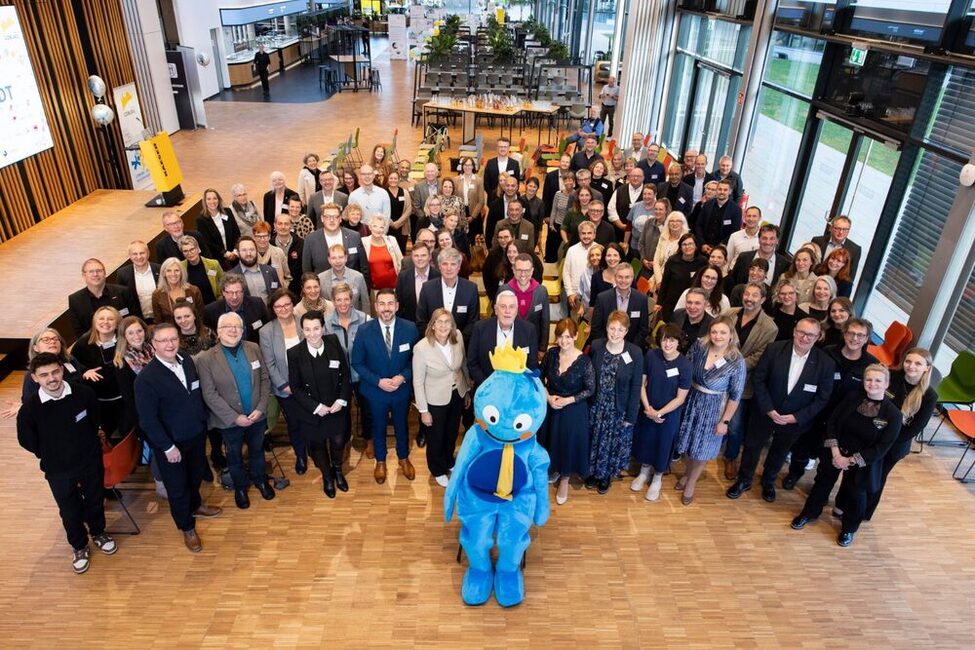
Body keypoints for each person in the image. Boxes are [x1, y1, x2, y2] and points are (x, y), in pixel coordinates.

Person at [17, 352, 116, 574]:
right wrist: (51, 453)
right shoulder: (30, 409)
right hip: (58, 469)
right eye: (44, 375)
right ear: (35, 378)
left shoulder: (83, 394)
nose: (51, 378)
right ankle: (79, 546)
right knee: (69, 510)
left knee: (95, 500)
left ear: (62, 369)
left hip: (90, 461)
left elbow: (94, 420)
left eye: (55, 372)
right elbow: (27, 440)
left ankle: (99, 533)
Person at [790, 364, 901, 547]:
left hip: (863, 461)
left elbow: (882, 447)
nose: (872, 384)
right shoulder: (852, 398)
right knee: (822, 483)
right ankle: (808, 513)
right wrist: (836, 452)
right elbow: (832, 423)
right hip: (835, 451)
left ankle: (849, 529)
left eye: (877, 380)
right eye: (868, 379)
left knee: (857, 494)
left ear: (886, 384)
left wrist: (849, 460)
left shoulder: (894, 415)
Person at [135, 322, 223, 553]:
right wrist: (167, 447)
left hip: (195, 434)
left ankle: (196, 506)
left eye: (173, 339)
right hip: (171, 445)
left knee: (195, 477)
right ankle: (187, 527)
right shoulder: (146, 379)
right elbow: (148, 421)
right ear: (153, 345)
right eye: (163, 340)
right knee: (178, 487)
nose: (170, 344)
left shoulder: (185, 361)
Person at [727, 318, 835, 503]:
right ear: (794, 331)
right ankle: (744, 480)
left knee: (780, 451)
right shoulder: (774, 349)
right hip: (765, 413)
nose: (804, 337)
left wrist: (796, 417)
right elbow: (759, 379)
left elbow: (822, 398)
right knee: (752, 447)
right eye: (801, 332)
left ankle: (768, 482)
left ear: (818, 337)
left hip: (794, 420)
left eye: (810, 334)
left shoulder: (825, 363)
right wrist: (768, 408)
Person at [784, 318, 878, 489]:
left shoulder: (870, 364)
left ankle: (819, 487)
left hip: (842, 422)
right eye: (851, 333)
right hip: (816, 413)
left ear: (866, 339)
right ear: (844, 334)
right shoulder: (827, 353)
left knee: (828, 457)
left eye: (860, 335)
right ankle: (794, 473)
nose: (854, 338)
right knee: (803, 448)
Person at [196, 312, 274, 510]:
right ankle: (240, 487)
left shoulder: (253, 348)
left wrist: (260, 408)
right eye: (227, 327)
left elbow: (265, 379)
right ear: (218, 332)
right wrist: (234, 417)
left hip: (257, 415)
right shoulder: (206, 359)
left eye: (237, 326)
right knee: (234, 455)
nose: (233, 330)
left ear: (243, 330)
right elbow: (209, 393)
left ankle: (261, 480)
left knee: (257, 451)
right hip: (229, 421)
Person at [673, 316, 746, 504]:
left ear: (731, 335)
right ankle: (687, 473)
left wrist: (725, 421)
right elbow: (686, 368)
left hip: (715, 408)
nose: (717, 336)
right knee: (689, 444)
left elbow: (735, 395)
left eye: (723, 332)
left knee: (703, 449)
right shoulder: (700, 346)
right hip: (692, 400)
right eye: (714, 331)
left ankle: (692, 482)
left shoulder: (736, 360)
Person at [351, 289, 419, 484]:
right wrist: (378, 381)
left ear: (397, 306)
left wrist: (402, 377)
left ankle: (403, 458)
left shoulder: (410, 328)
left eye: (390, 303)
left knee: (401, 426)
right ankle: (380, 461)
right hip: (375, 391)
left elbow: (415, 359)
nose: (386, 308)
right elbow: (357, 363)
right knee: (378, 427)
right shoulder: (364, 331)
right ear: (376, 306)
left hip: (401, 390)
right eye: (382, 304)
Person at [864, 348, 938, 520]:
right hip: (873, 434)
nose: (911, 366)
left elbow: (915, 428)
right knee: (861, 471)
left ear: (927, 367)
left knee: (878, 477)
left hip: (895, 445)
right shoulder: (891, 376)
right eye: (908, 361)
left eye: (918, 363)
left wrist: (886, 441)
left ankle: (865, 512)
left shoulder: (929, 396)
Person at [288, 310, 353, 498]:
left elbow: (345, 374)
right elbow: (296, 387)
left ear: (323, 328)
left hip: (336, 407)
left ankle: (338, 470)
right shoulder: (294, 354)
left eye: (316, 328)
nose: (312, 333)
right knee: (317, 447)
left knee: (339, 442)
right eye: (307, 330)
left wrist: (341, 400)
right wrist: (316, 407)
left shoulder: (333, 342)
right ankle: (327, 476)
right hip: (311, 411)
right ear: (302, 331)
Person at [630, 324, 693, 501]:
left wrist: (660, 413)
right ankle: (644, 472)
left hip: (669, 415)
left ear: (679, 342)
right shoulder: (651, 356)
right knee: (646, 440)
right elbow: (641, 383)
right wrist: (648, 408)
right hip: (648, 409)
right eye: (664, 339)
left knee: (663, 445)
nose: (667, 343)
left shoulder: (685, 365)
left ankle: (657, 477)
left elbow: (681, 398)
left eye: (672, 340)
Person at [412, 309, 471, 487]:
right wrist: (423, 411)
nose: (444, 325)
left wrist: (467, 389)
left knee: (452, 432)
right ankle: (437, 469)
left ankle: (448, 460)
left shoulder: (458, 337)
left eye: (447, 321)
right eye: (439, 321)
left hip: (456, 394)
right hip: (435, 400)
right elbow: (417, 382)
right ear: (432, 325)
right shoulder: (421, 348)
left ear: (452, 325)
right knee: (436, 436)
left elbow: (463, 365)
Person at [587, 311, 644, 494]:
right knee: (594, 439)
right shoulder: (597, 346)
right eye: (612, 328)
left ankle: (605, 476)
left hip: (618, 407)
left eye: (620, 329)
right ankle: (592, 472)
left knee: (611, 443)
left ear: (626, 331)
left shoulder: (635, 352)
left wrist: (631, 415)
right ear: (606, 328)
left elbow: (636, 386)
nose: (615, 333)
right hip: (596, 405)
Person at [539, 319, 594, 504]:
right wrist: (548, 397)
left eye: (568, 337)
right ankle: (553, 468)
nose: (564, 341)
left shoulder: (584, 361)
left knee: (568, 442)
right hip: (552, 403)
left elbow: (590, 389)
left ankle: (565, 478)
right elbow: (539, 378)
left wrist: (568, 400)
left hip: (573, 407)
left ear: (576, 336)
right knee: (551, 439)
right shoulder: (551, 354)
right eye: (561, 337)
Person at [260, 288, 307, 474]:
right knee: (294, 423)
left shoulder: (304, 322)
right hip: (286, 388)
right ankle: (301, 455)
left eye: (287, 304)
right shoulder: (266, 331)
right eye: (278, 306)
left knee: (311, 419)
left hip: (309, 383)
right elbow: (269, 364)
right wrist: (284, 386)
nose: (283, 308)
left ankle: (313, 449)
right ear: (273, 309)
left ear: (293, 304)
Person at [323, 282, 373, 457]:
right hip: (339, 377)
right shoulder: (327, 324)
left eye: (346, 299)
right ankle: (345, 441)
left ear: (352, 300)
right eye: (339, 300)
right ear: (333, 301)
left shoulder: (365, 319)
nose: (343, 303)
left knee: (367, 409)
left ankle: (369, 440)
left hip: (363, 375)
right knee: (343, 412)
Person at [0, 329, 85, 420]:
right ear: (35, 348)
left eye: (55, 339)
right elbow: (30, 402)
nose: (52, 341)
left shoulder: (70, 361)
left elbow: (83, 377)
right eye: (46, 340)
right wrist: (24, 406)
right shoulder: (32, 375)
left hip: (80, 410)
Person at [467, 290, 539, 387]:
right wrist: (488, 385)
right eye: (503, 306)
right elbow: (472, 363)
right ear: (496, 310)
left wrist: (518, 385)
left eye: (511, 307)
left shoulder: (529, 330)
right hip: (487, 389)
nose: (507, 311)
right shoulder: (480, 328)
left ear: (516, 310)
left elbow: (532, 365)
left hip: (517, 390)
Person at [70, 306, 123, 437]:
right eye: (101, 318)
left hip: (124, 400)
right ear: (94, 322)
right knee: (108, 436)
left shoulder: (125, 342)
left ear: (117, 323)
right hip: (98, 402)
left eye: (111, 319)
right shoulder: (82, 345)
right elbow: (73, 369)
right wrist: (84, 373)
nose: (106, 322)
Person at [416, 247, 480, 339]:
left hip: (461, 344)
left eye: (453, 264)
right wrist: (437, 340)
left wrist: (456, 340)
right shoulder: (427, 288)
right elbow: (421, 321)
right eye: (445, 264)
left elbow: (473, 322)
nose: (449, 268)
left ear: (459, 267)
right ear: (439, 266)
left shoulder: (471, 289)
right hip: (433, 345)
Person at [68, 258, 140, 337]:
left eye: (99, 271)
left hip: (124, 340)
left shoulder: (123, 292)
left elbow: (135, 318)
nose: (95, 274)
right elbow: (78, 331)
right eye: (91, 271)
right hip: (93, 345)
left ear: (105, 273)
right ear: (84, 275)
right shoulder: (75, 300)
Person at [302, 202, 371, 282]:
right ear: (322, 218)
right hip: (323, 290)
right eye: (327, 217)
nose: (332, 220)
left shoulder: (354, 237)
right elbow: (307, 272)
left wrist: (365, 291)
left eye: (335, 217)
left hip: (351, 289)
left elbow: (364, 268)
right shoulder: (311, 239)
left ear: (340, 218)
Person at [589, 264, 648, 349]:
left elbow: (643, 329)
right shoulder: (602, 298)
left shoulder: (641, 299)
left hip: (631, 348)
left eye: (627, 277)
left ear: (632, 279)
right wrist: (608, 347)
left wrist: (631, 349)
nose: (623, 281)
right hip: (606, 347)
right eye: (620, 277)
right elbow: (596, 328)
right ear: (615, 278)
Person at [657, 233, 707, 321]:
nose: (687, 247)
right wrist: (659, 303)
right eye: (684, 244)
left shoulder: (703, 261)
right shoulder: (672, 260)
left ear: (696, 246)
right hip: (672, 304)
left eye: (690, 244)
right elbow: (665, 283)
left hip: (693, 305)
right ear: (680, 247)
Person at [726, 224, 791, 291]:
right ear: (759, 239)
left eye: (772, 238)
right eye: (764, 238)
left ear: (777, 241)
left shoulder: (784, 265)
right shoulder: (743, 258)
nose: (768, 242)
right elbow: (732, 283)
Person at [507, 253, 550, 352]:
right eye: (519, 270)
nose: (523, 274)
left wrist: (543, 348)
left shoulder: (541, 291)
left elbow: (545, 322)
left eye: (526, 270)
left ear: (532, 271)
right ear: (513, 269)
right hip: (509, 346)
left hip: (533, 345)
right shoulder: (504, 290)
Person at [318, 244, 370, 314]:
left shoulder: (358, 277)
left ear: (346, 258)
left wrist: (366, 322)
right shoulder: (321, 278)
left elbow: (365, 303)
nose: (338, 261)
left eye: (341, 257)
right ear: (329, 260)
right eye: (333, 258)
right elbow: (319, 305)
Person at [152, 257, 206, 324]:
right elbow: (158, 322)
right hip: (170, 333)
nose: (173, 274)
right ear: (164, 273)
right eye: (169, 271)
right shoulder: (157, 294)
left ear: (182, 273)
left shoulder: (193, 290)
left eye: (176, 270)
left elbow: (201, 316)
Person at [197, 188, 241, 270]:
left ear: (219, 199)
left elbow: (236, 232)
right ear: (205, 201)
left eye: (215, 198)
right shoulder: (201, 220)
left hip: (234, 256)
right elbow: (207, 242)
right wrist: (224, 253)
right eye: (209, 199)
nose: (212, 201)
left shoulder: (228, 212)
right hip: (217, 259)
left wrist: (235, 251)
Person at [117, 241, 160, 323]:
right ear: (129, 256)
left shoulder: (160, 269)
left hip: (160, 319)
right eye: (135, 254)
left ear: (148, 253)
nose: (139, 257)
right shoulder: (122, 274)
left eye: (142, 253)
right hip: (137, 321)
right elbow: (123, 300)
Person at [395, 242, 439, 323]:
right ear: (412, 257)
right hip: (409, 325)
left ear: (429, 257)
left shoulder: (438, 276)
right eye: (416, 256)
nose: (419, 259)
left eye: (423, 255)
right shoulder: (403, 277)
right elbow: (398, 305)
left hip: (433, 326)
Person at [695, 179, 742, 254]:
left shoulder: (736, 210)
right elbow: (699, 225)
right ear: (716, 190)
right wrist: (702, 244)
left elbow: (734, 232)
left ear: (730, 191)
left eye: (725, 190)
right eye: (720, 189)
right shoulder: (707, 205)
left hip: (722, 250)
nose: (722, 192)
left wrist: (719, 247)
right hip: (703, 248)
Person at [362, 213, 404, 295]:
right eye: (375, 226)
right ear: (370, 227)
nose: (378, 230)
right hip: (374, 289)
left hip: (393, 287)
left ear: (384, 229)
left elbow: (401, 261)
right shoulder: (363, 242)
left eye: (381, 227)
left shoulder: (392, 240)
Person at [811, 215, 862, 281]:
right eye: (837, 228)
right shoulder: (817, 241)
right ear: (831, 228)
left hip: (836, 288)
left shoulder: (855, 250)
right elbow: (810, 265)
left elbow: (850, 278)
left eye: (845, 229)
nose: (841, 232)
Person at [563, 221, 598, 316]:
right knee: (575, 325)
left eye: (589, 233)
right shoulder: (571, 250)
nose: (586, 236)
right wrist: (569, 293)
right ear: (579, 235)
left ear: (594, 234)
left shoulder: (600, 251)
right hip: (575, 297)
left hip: (594, 298)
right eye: (583, 233)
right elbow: (566, 273)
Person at [651, 211, 690, 292]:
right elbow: (656, 261)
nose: (674, 223)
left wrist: (664, 283)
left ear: (682, 223)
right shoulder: (663, 237)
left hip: (675, 280)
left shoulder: (686, 240)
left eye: (677, 221)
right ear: (668, 223)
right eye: (671, 221)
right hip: (658, 277)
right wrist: (659, 281)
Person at [179, 235, 222, 305]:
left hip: (216, 304)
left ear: (198, 249)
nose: (189, 253)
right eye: (185, 251)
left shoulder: (213, 264)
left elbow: (224, 283)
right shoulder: (180, 267)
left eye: (192, 249)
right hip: (195, 308)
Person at [669, 288, 713, 353]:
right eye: (689, 302)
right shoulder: (677, 314)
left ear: (705, 305)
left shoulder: (712, 324)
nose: (692, 307)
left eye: (697, 303)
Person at [608, 167, 645, 242]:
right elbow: (611, 209)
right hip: (620, 233)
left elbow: (653, 211)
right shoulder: (619, 190)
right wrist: (620, 225)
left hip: (641, 235)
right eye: (633, 176)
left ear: (643, 178)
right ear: (628, 177)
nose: (635, 178)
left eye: (638, 176)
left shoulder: (648, 192)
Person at [252, 221, 289, 289]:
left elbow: (287, 276)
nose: (262, 239)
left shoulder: (279, 252)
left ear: (269, 236)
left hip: (277, 293)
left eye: (265, 236)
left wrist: (283, 288)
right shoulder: (250, 254)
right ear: (254, 237)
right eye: (259, 236)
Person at [455, 157, 485, 236]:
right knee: (462, 236)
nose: (467, 167)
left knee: (474, 237)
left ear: (473, 166)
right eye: (465, 165)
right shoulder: (456, 180)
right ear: (462, 166)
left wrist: (473, 216)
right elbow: (454, 199)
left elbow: (481, 200)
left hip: (474, 212)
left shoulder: (478, 180)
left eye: (469, 165)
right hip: (460, 212)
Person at [726, 206, 762, 270]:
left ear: (759, 218)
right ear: (745, 218)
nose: (751, 219)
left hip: (754, 276)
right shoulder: (734, 236)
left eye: (754, 216)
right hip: (734, 273)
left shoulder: (763, 239)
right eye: (749, 216)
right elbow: (728, 259)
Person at [386, 170, 413, 254]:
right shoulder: (384, 193)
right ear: (388, 179)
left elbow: (409, 209)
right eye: (391, 178)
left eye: (395, 178)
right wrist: (391, 223)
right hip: (388, 227)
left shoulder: (404, 192)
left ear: (399, 180)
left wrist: (398, 223)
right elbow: (382, 210)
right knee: (389, 252)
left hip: (402, 227)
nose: (393, 180)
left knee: (401, 252)